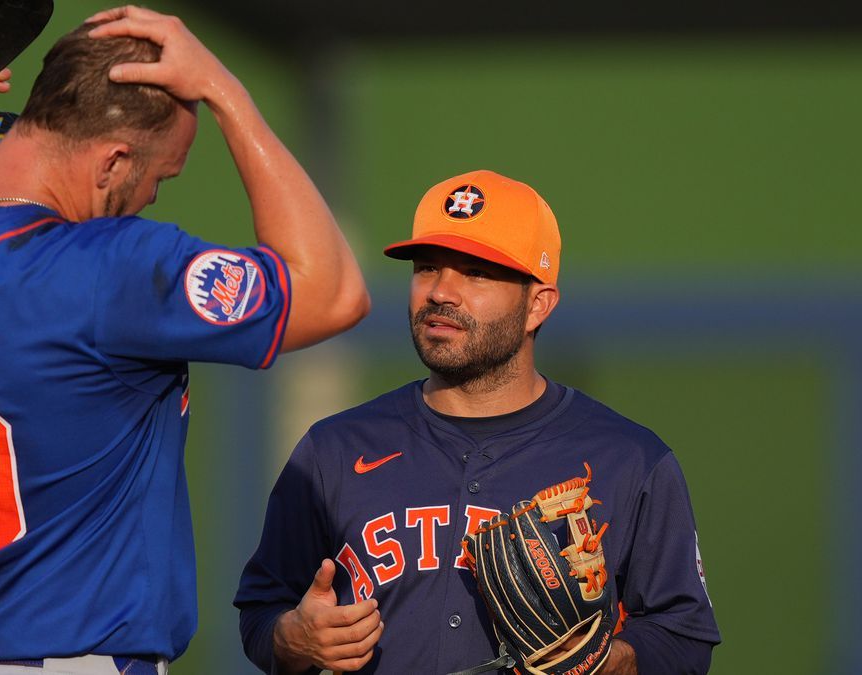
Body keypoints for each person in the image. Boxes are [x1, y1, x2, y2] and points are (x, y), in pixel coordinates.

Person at [0, 6, 369, 674]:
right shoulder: (107, 268)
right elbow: (333, 293)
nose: (152, 195)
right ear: (113, 159)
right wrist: (224, 92)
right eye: (161, 174)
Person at [235, 170, 720, 674]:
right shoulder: (333, 448)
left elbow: (683, 637)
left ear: (538, 305)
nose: (442, 291)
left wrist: (611, 662)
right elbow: (262, 613)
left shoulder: (630, 461)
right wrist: (294, 639)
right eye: (427, 268)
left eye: (476, 272)